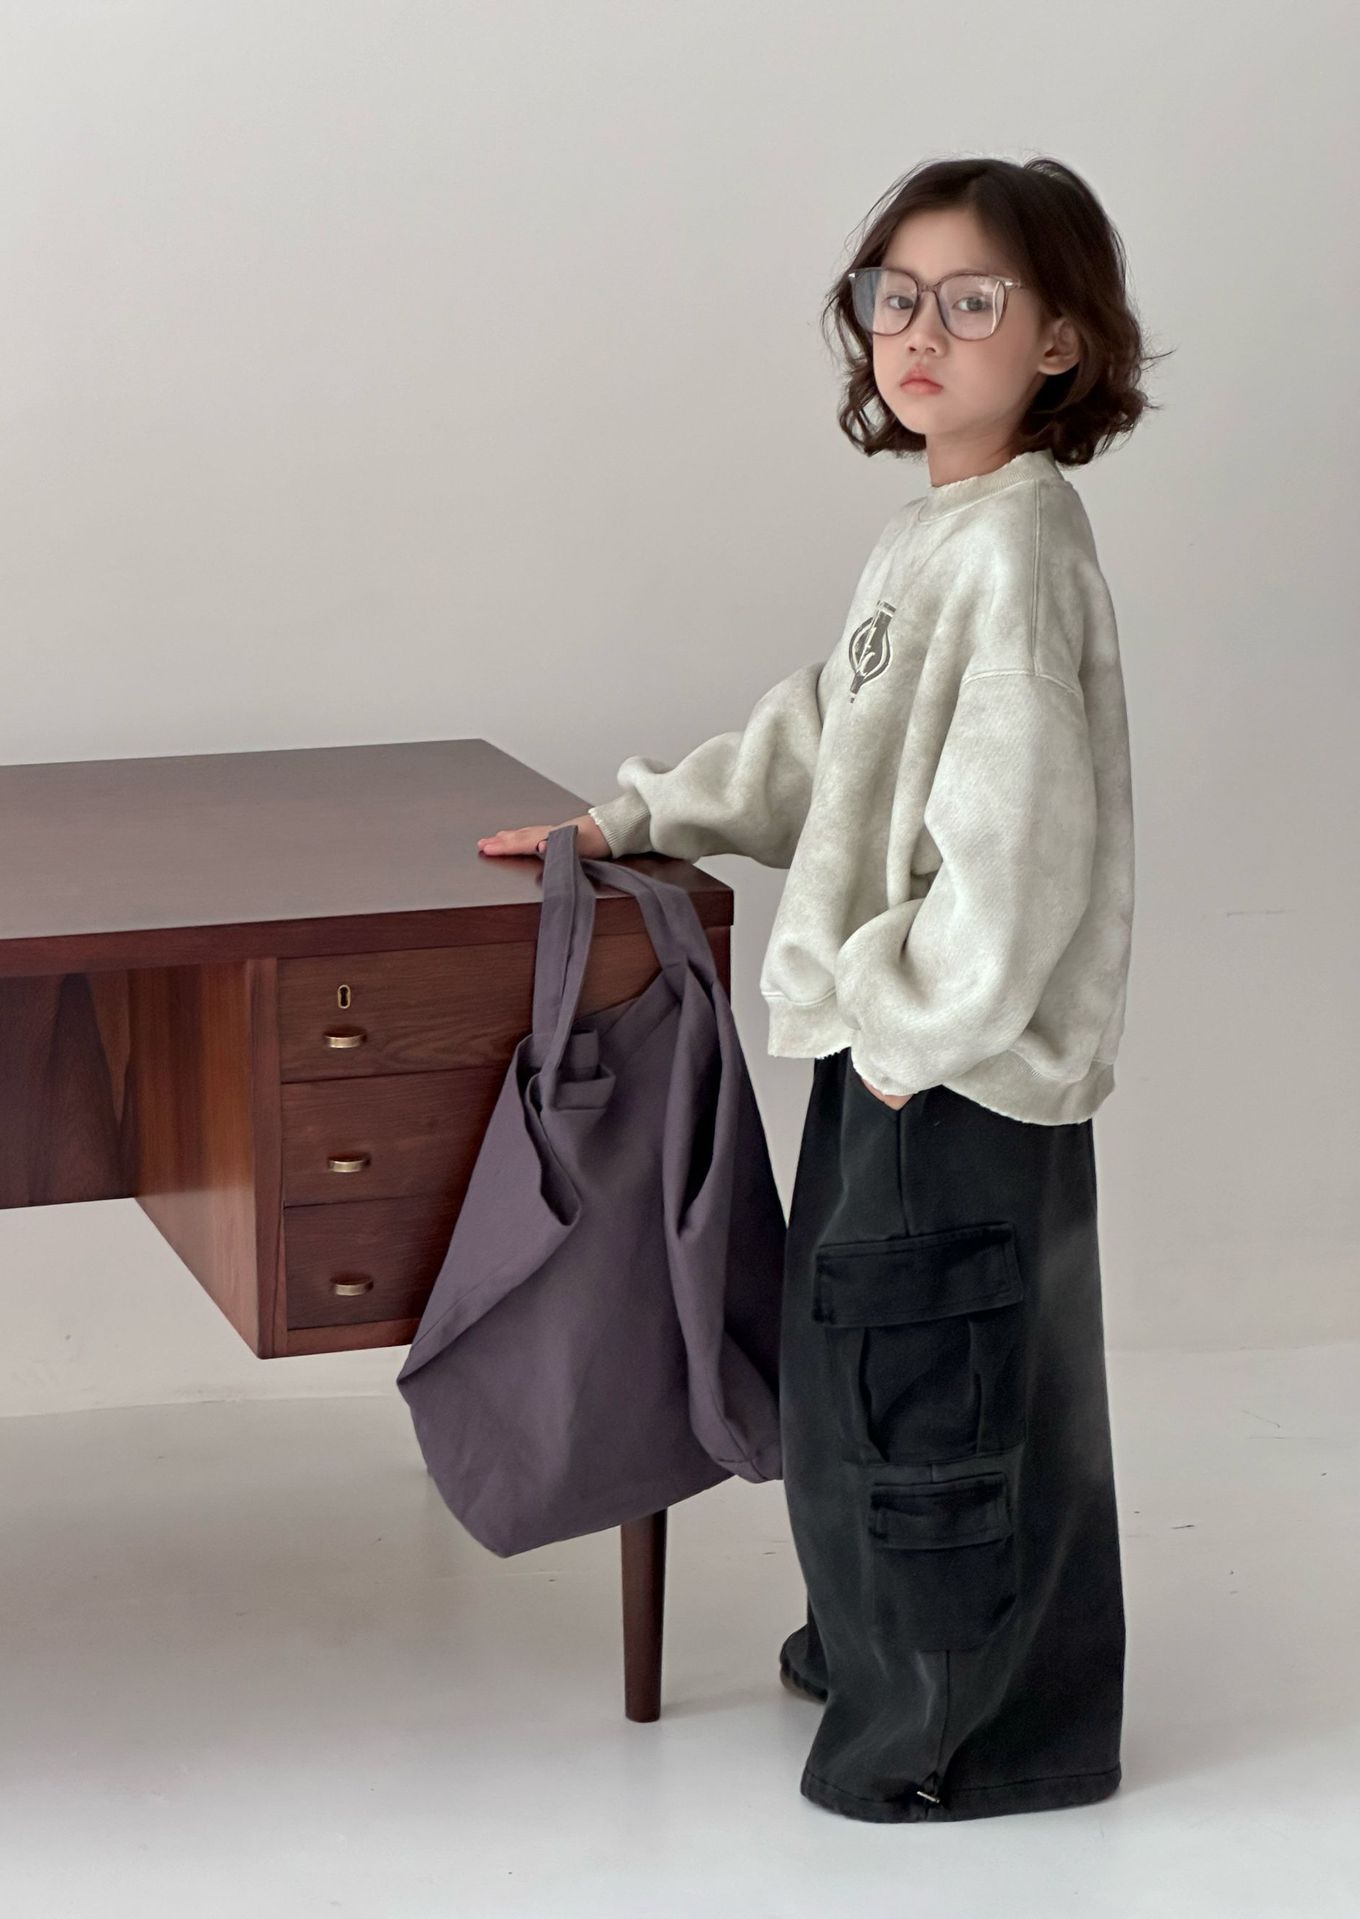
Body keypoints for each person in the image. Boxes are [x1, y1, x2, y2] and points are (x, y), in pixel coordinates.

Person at [477, 154, 1165, 1823]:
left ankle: (951, 1744)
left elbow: (1023, 844)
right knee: (896, 1375)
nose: (918, 331)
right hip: (906, 1047)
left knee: (931, 1391)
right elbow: (827, 744)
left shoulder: (1015, 557)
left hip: (948, 1065)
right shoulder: (941, 533)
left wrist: (914, 1035)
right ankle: (888, 1658)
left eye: (971, 300)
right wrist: (636, 816)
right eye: (892, 296)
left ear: (1060, 341)